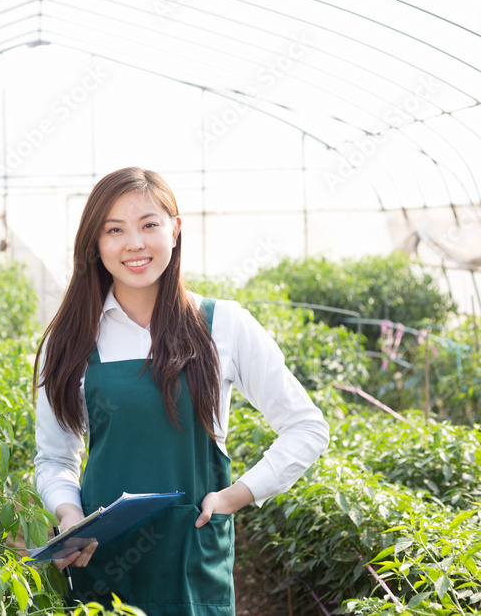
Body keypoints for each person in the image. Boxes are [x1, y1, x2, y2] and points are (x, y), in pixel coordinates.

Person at [33, 167, 330, 613]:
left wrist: (237, 495)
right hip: (101, 562)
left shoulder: (223, 324)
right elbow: (55, 458)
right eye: (114, 230)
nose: (134, 243)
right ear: (95, 244)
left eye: (149, 225)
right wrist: (69, 514)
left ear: (175, 230)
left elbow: (306, 427)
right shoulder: (72, 338)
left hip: (193, 563)